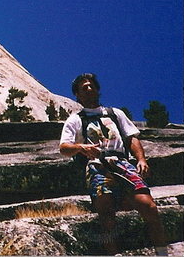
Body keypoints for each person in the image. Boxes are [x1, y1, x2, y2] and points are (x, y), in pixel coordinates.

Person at [59, 73, 167, 255]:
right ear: (77, 95)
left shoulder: (115, 113)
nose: (88, 89)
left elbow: (132, 138)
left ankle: (163, 253)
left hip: (123, 163)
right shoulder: (75, 119)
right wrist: (80, 147)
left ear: (97, 89)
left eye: (91, 85)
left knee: (149, 207)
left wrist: (141, 159)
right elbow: (64, 147)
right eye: (83, 88)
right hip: (97, 165)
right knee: (106, 215)